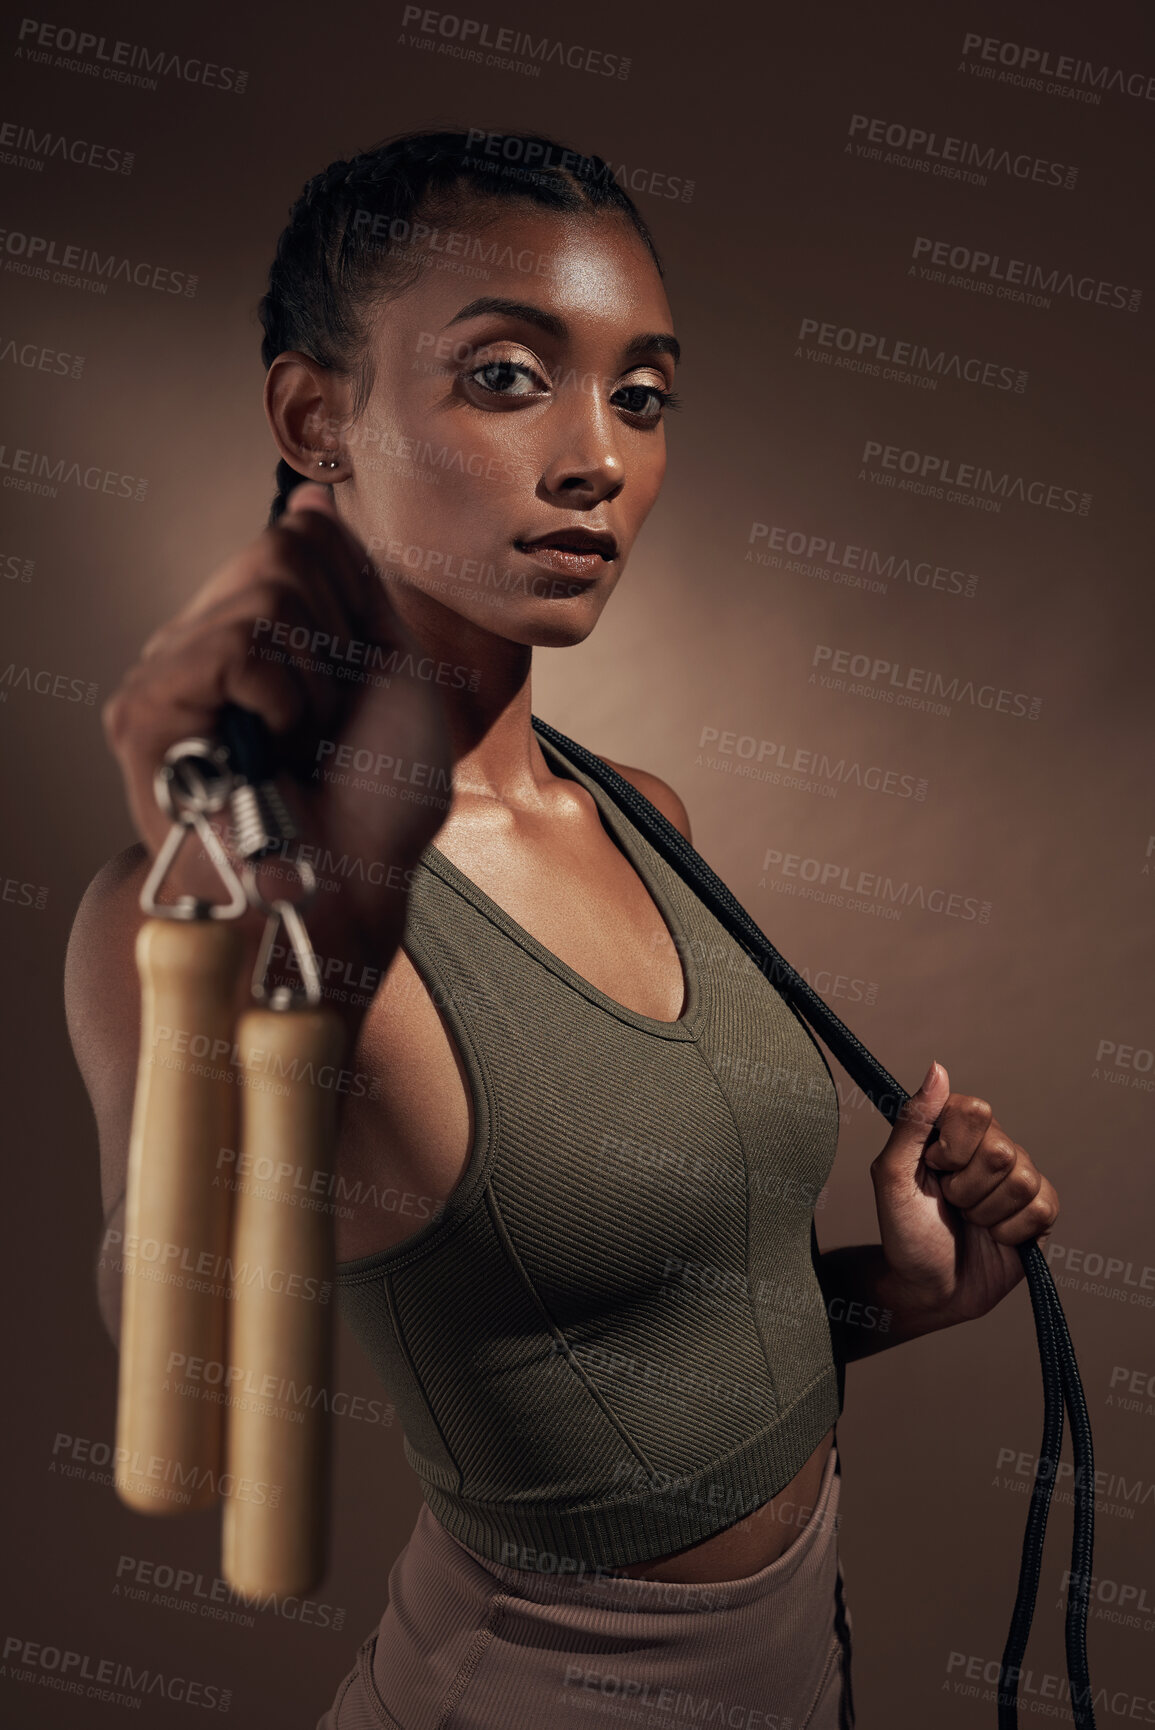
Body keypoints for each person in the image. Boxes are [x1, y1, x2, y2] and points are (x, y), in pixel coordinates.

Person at [65, 129, 1060, 1730]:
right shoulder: (218, 903)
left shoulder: (646, 814)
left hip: (810, 1664)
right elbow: (174, 1380)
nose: (597, 453)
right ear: (317, 415)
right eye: (511, 378)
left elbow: (638, 1323)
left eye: (643, 395)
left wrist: (908, 1289)